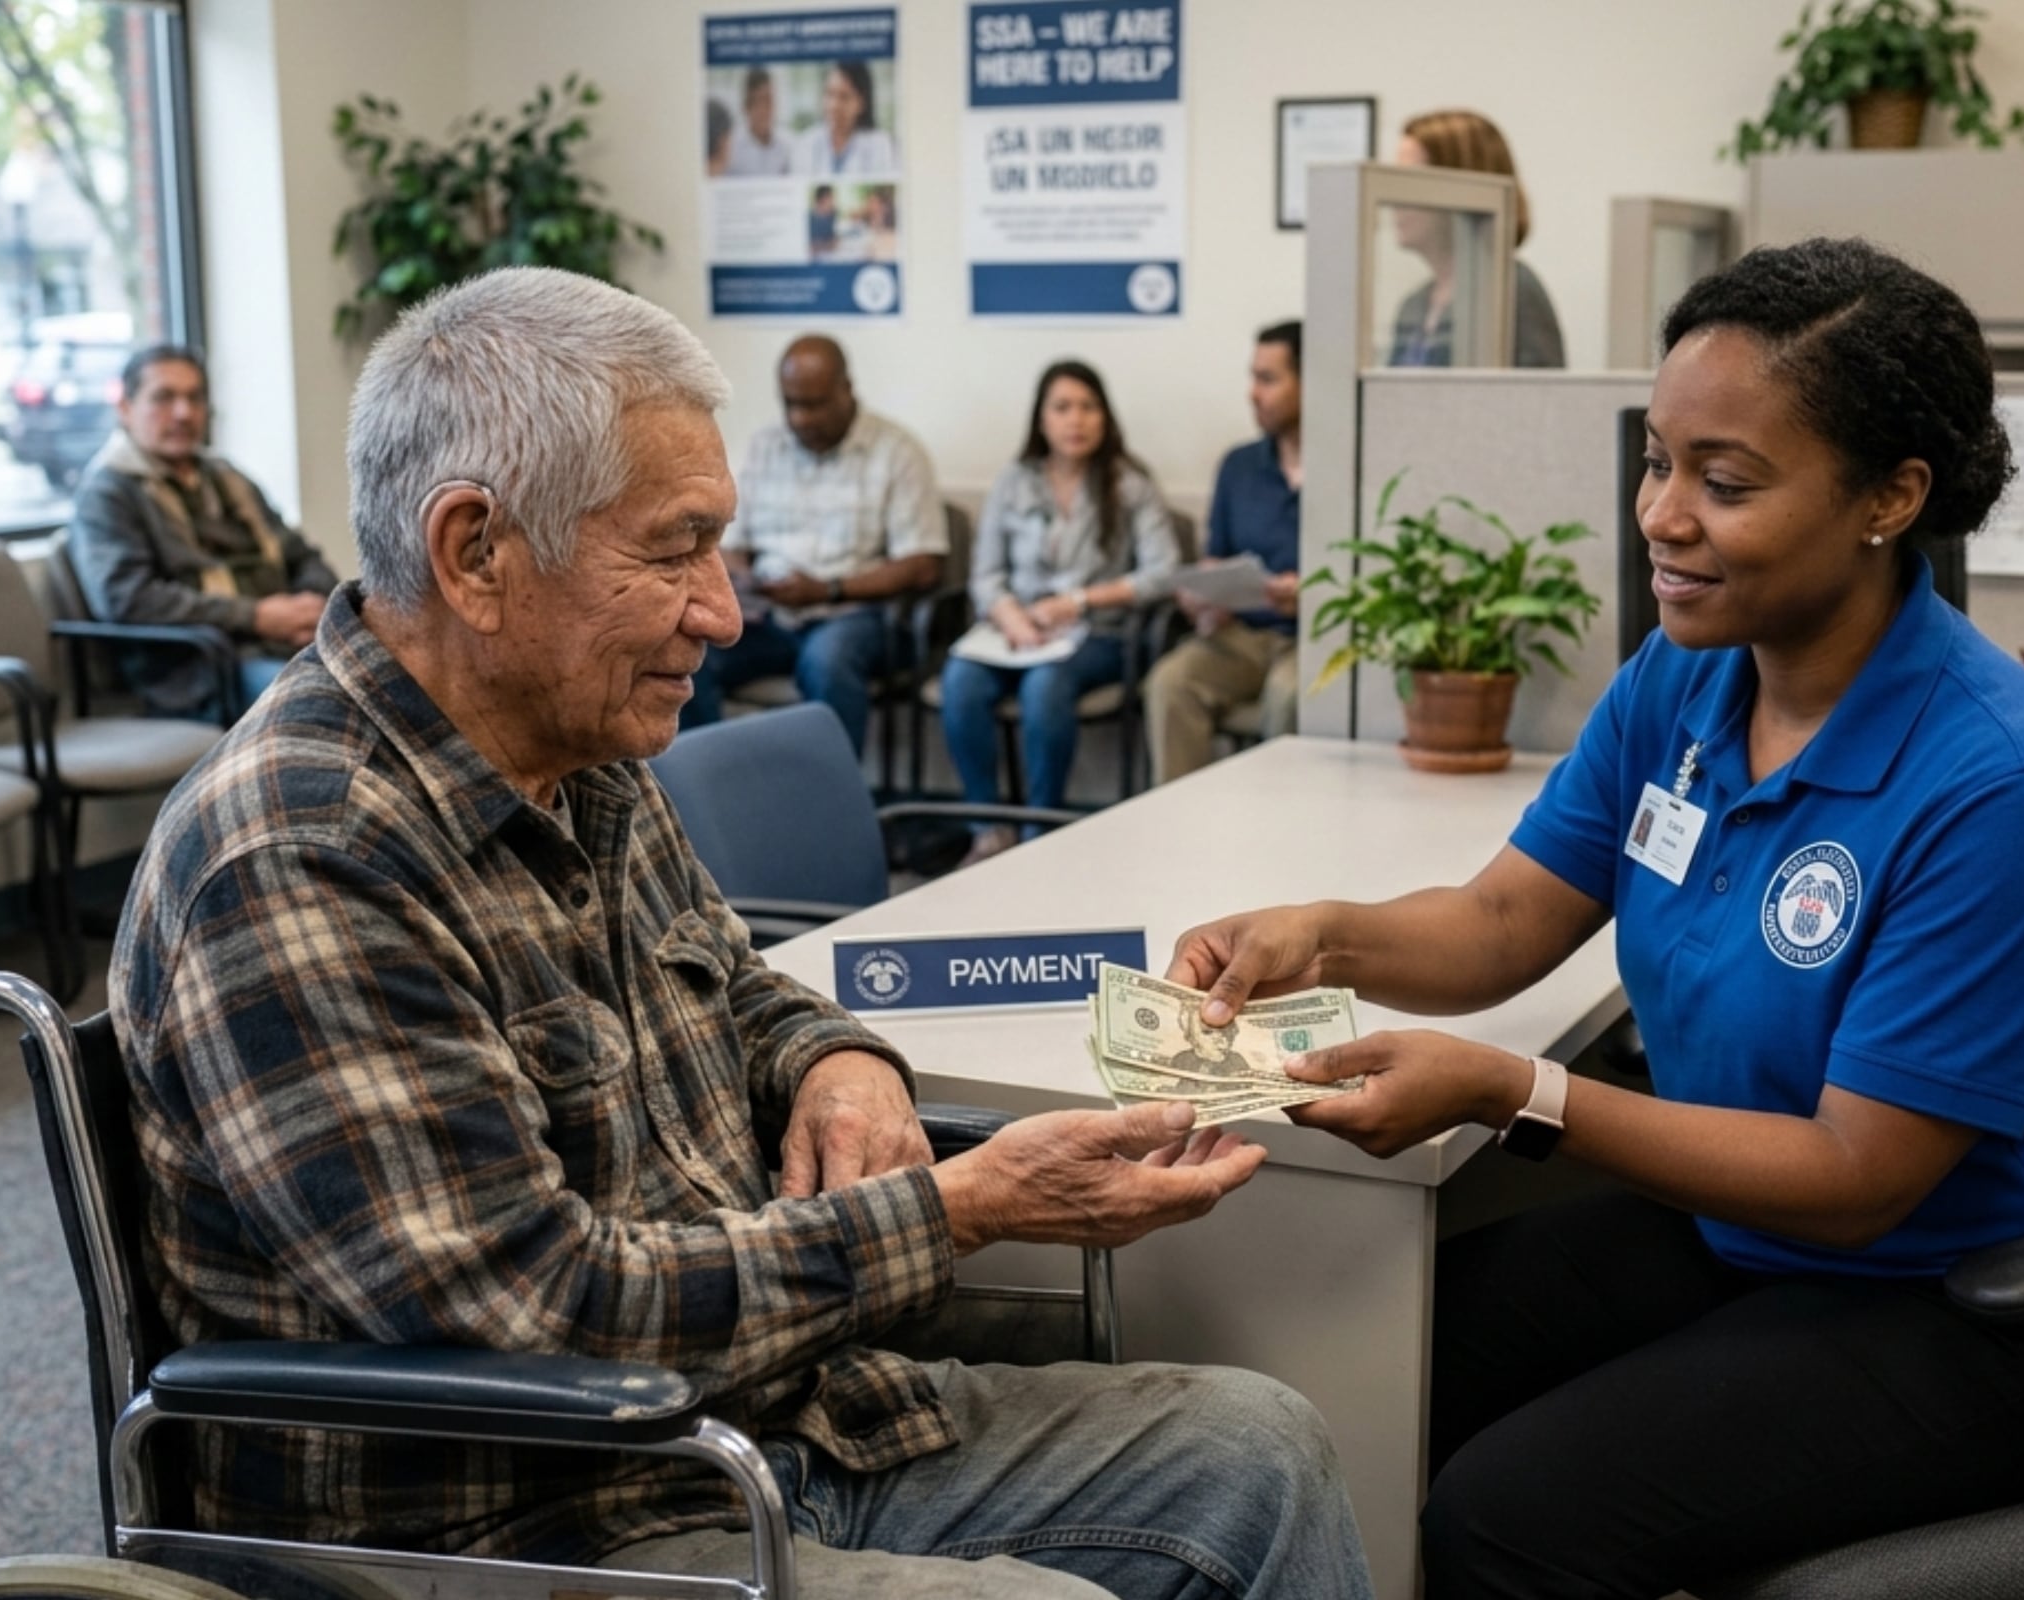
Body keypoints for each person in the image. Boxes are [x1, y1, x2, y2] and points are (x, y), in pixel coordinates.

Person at [110, 267, 1372, 1600]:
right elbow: (542, 1322)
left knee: (1262, 1448)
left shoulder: (573, 752)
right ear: (476, 553)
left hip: (758, 1428)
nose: (722, 609)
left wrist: (846, 1067)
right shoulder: (304, 855)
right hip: (529, 1524)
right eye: (674, 549)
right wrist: (960, 1208)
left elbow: (741, 993)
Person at [1166, 238, 2024, 1598]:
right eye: (1657, 462)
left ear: (1891, 497)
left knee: (1507, 1521)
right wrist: (1316, 934)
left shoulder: (2004, 784)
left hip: (1966, 1302)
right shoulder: (1690, 679)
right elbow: (1507, 919)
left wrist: (1516, 1094)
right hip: (1740, 1238)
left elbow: (1859, 1181)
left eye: (1724, 482)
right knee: (1372, 1369)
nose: (1663, 517)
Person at [941, 360, 1179, 862]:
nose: (1076, 420)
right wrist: (1011, 617)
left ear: (1106, 417)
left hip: (1097, 635)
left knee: (1045, 686)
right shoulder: (1015, 479)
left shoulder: (1129, 483)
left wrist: (1079, 602)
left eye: (1088, 407)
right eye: (1063, 408)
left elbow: (1162, 573)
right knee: (960, 681)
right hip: (1014, 631)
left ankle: (1039, 833)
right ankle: (988, 828)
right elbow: (986, 573)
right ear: (1041, 420)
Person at [684, 335, 944, 753]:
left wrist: (828, 590)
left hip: (854, 615)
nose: (802, 418)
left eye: (815, 404)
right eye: (791, 404)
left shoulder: (897, 452)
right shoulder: (765, 447)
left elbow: (924, 564)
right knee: (683, 653)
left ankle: (830, 807)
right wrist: (745, 577)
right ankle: (708, 793)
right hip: (769, 614)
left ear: (847, 390)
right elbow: (728, 544)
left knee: (827, 661)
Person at [68, 344, 338, 719]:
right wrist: (257, 617)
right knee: (321, 702)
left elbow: (301, 554)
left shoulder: (227, 477)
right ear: (126, 409)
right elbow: (129, 600)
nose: (184, 412)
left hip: (283, 643)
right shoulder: (109, 492)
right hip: (194, 670)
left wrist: (312, 608)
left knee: (401, 676)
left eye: (195, 398)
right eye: (164, 397)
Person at [1144, 320, 1304, 783]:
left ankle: (1279, 835)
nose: (1253, 393)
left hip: (1317, 638)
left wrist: (1307, 592)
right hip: (1243, 635)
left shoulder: (1351, 463)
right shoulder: (1239, 466)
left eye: (1268, 379)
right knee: (1171, 683)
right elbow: (1217, 558)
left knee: (1288, 695)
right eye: (1252, 377)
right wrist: (1203, 598)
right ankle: (1181, 833)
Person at [1387, 110, 1566, 370]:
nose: (1395, 199)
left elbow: (1542, 404)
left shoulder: (1512, 290)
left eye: (1411, 180)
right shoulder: (1414, 304)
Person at [798, 59, 895, 177]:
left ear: (861, 103)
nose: (833, 105)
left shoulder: (879, 145)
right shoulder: (807, 143)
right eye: (829, 94)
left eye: (844, 97)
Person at [726, 67, 792, 176]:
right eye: (759, 102)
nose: (766, 110)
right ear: (746, 106)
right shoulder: (731, 148)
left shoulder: (787, 144)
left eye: (769, 101)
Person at [806, 183, 840, 260]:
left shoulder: (832, 214)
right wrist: (828, 245)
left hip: (831, 257)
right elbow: (811, 247)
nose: (833, 202)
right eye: (831, 199)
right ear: (822, 200)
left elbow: (835, 240)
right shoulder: (809, 218)